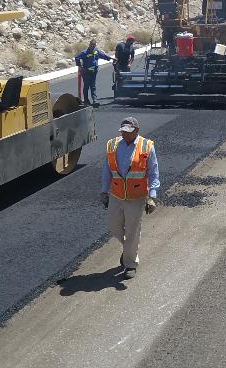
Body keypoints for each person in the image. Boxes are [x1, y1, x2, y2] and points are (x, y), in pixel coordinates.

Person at [100, 116, 160, 279]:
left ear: (137, 131)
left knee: (133, 231)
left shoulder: (147, 146)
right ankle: (128, 250)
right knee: (114, 226)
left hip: (136, 197)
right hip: (116, 194)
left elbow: (154, 173)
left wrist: (152, 196)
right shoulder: (113, 145)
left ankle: (130, 263)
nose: (125, 135)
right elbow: (107, 170)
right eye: (123, 132)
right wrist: (104, 191)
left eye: (128, 132)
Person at [75, 39, 112, 107]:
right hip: (86, 72)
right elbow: (77, 57)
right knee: (86, 86)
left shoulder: (96, 51)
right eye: (92, 45)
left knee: (93, 86)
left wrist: (111, 58)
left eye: (94, 45)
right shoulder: (84, 52)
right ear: (89, 45)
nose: (93, 46)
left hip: (94, 72)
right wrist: (80, 66)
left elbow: (102, 55)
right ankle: (86, 101)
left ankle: (95, 100)